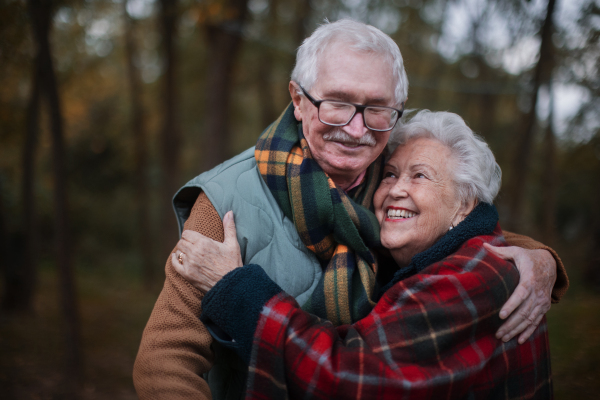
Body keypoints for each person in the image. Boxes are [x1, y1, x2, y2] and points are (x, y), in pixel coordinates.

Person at [133, 20, 567, 400]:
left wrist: (539, 258)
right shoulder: (224, 198)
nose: (356, 130)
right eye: (337, 103)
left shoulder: (391, 174)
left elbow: (464, 228)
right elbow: (164, 358)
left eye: (377, 109)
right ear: (298, 99)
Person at [174, 110, 552, 399]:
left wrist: (235, 288)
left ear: (465, 204)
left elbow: (342, 378)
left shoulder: (468, 278)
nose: (396, 190)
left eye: (420, 176)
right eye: (389, 174)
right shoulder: (458, 251)